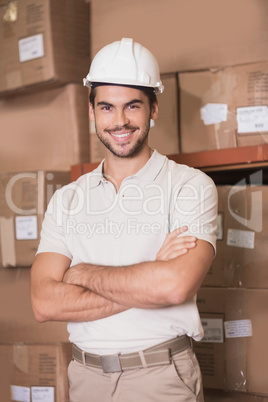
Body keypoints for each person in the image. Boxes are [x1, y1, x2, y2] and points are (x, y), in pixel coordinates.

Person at [31, 38, 218, 402]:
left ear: (154, 109)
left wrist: (82, 273)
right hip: (85, 379)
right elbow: (44, 303)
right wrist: (148, 272)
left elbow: (173, 287)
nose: (119, 121)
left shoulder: (189, 186)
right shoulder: (68, 199)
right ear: (92, 113)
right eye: (107, 107)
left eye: (132, 106)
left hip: (160, 378)